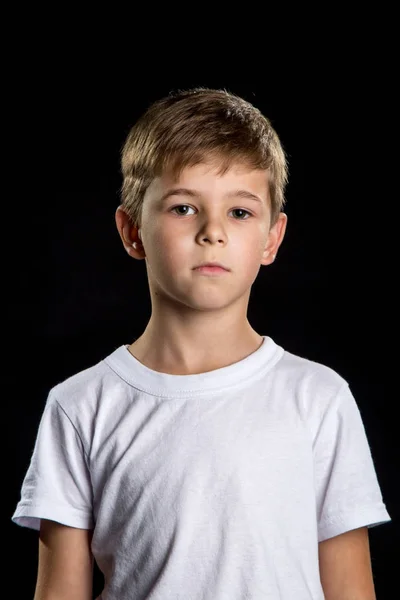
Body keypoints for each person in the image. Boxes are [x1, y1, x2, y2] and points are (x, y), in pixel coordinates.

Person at [13, 88, 391, 600]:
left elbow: (351, 588)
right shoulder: (80, 407)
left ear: (271, 239)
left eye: (239, 212)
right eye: (184, 207)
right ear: (132, 230)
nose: (212, 231)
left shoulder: (318, 398)